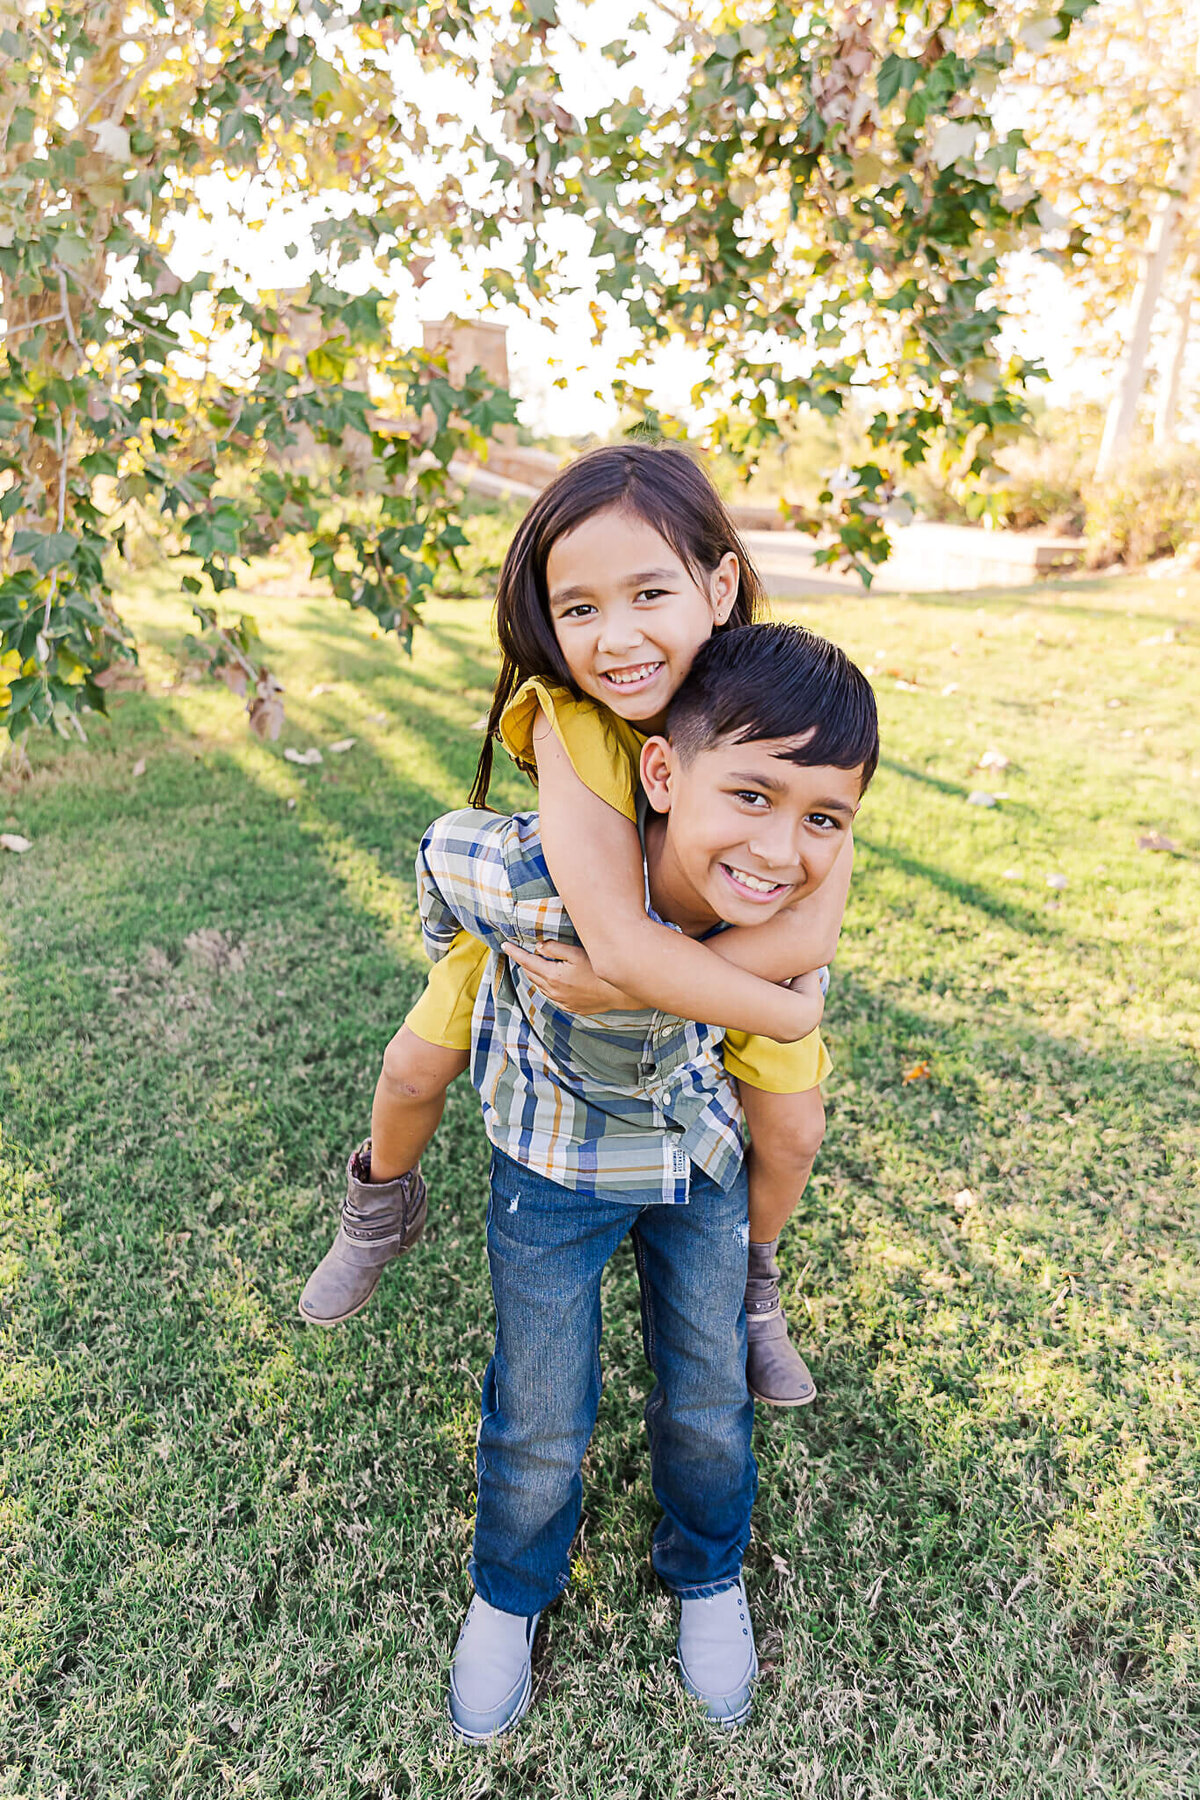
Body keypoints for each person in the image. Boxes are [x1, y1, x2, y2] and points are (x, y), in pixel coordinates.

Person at [300, 444, 854, 1405]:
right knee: (411, 1067)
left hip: (724, 948)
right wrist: (750, 1000)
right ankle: (379, 1203)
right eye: (580, 609)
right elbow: (615, 939)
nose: (618, 637)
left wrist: (683, 991)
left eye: (649, 594)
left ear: (719, 586)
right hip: (543, 931)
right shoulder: (572, 723)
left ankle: (756, 1285)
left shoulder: (784, 705)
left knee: (794, 1127)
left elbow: (809, 937)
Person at [419, 621, 878, 1737]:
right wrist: (457, 966)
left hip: (696, 1160)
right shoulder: (542, 874)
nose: (781, 848)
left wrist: (645, 983)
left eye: (822, 818)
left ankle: (708, 1575)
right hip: (552, 1167)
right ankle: (509, 1592)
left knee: (710, 1390)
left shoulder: (774, 910)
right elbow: (443, 856)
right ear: (662, 774)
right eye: (754, 797)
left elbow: (785, 974)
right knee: (538, 1402)